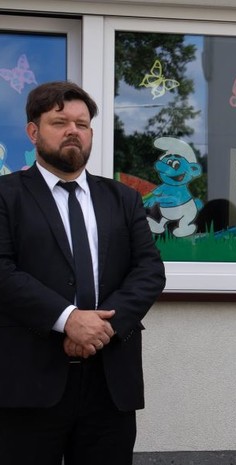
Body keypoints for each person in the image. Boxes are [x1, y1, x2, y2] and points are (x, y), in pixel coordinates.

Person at [0, 81, 166, 465]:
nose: (73, 131)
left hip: (109, 382)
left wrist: (102, 327)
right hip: (28, 382)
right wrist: (68, 320)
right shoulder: (7, 196)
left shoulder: (123, 198)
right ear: (33, 131)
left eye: (82, 124)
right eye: (60, 123)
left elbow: (149, 270)